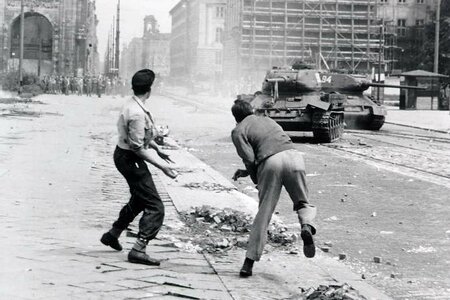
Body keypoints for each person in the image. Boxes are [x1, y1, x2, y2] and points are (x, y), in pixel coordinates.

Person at [230, 99, 317, 277]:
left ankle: (249, 263)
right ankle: (306, 226)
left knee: (265, 212)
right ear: (251, 110)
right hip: (294, 157)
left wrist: (256, 178)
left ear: (236, 118)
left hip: (270, 163)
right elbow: (273, 145)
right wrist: (248, 172)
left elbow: (250, 158)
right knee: (302, 202)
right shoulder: (268, 119)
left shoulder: (238, 130)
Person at [100, 69, 178, 265]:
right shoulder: (136, 113)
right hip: (130, 159)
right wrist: (162, 167)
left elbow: (140, 137)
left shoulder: (133, 104)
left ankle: (113, 234)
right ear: (150, 90)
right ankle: (139, 249)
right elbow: (137, 148)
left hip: (125, 156)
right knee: (155, 206)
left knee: (139, 198)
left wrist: (157, 147)